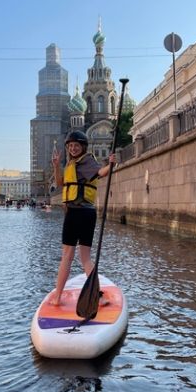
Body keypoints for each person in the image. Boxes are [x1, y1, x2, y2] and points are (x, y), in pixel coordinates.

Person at [50, 130, 115, 305]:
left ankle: (57, 297)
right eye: (70, 146)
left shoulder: (86, 161)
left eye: (76, 145)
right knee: (85, 257)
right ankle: (98, 296)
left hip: (76, 213)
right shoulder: (72, 164)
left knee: (67, 256)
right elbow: (60, 183)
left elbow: (101, 172)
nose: (73, 148)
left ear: (83, 147)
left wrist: (111, 165)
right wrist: (56, 166)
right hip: (86, 213)